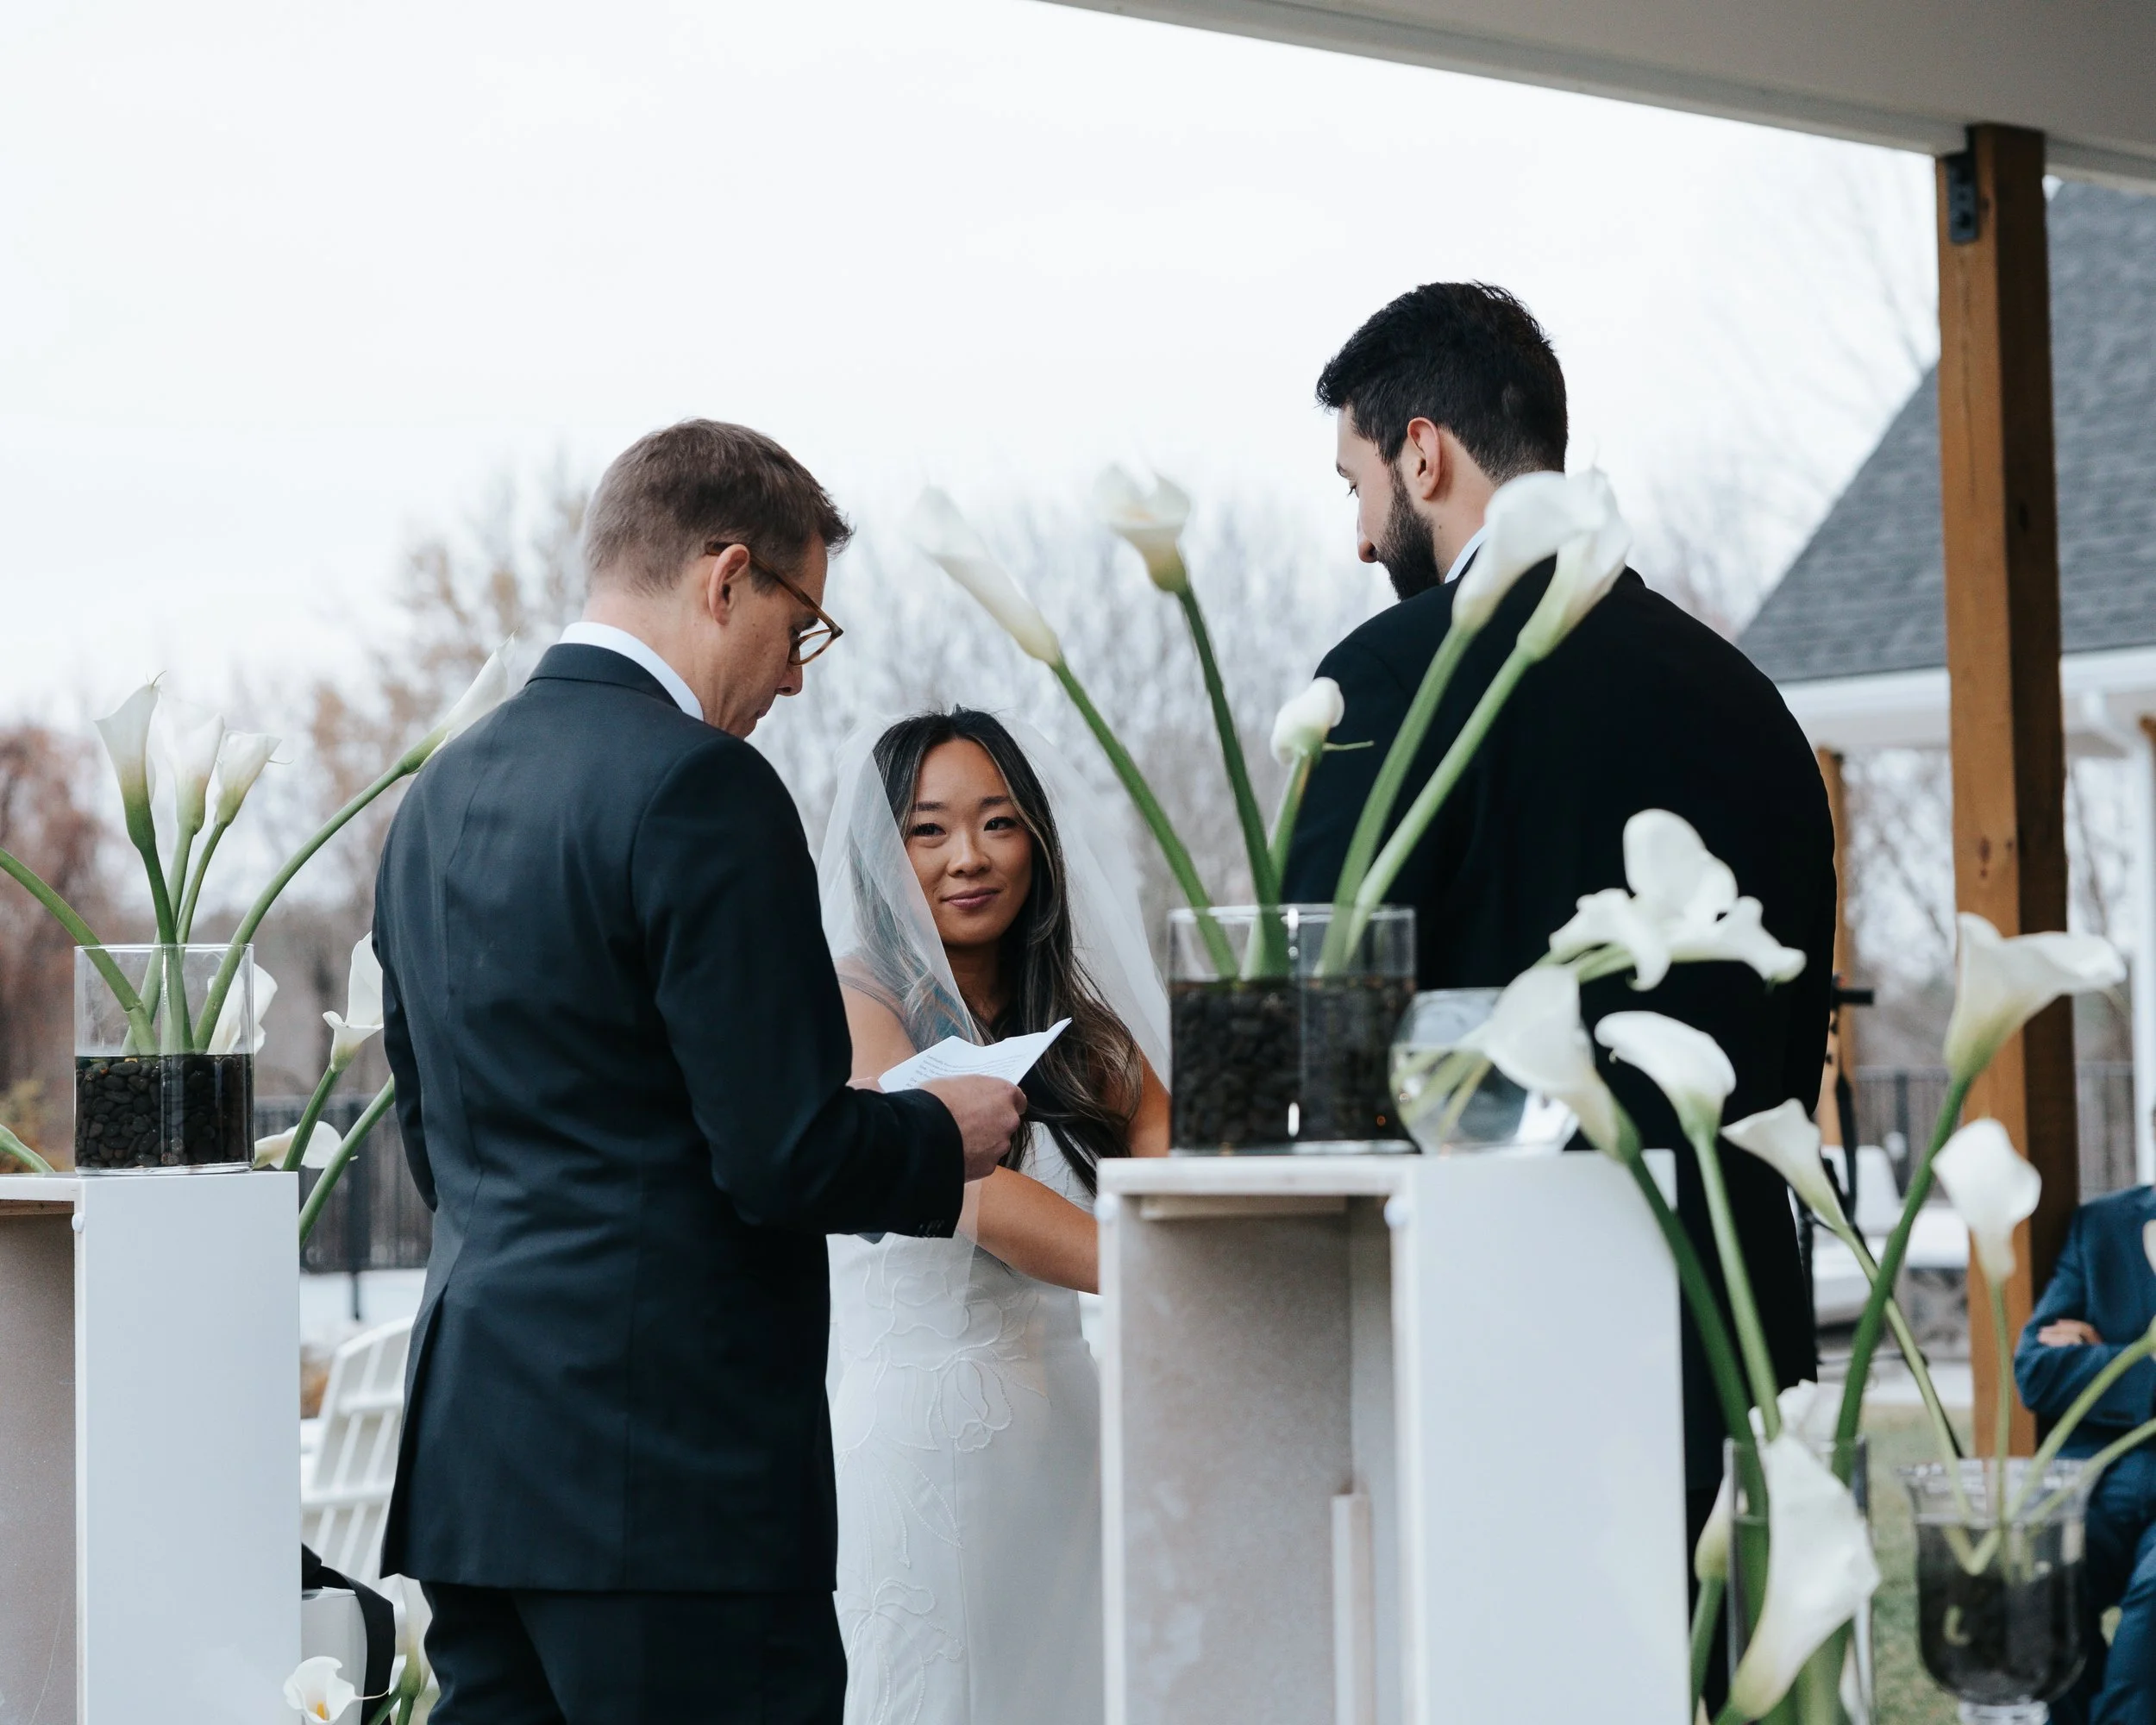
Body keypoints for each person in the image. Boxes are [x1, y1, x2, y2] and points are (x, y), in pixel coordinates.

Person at [371, 421, 1027, 1725]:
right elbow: (781, 1153)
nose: (794, 680)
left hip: (477, 1467)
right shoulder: (700, 789)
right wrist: (940, 1134)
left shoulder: (435, 799)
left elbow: (435, 1147)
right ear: (727, 577)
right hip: (671, 1486)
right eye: (801, 630)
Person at [1280, 283, 1834, 1592]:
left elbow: (1323, 1049)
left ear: (1426, 452)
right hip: (1739, 1347)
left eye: (1356, 481)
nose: (1363, 537)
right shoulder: (1748, 700)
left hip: (1504, 1353)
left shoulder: (1385, 679)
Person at [819, 707, 1170, 1725]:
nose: (967, 857)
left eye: (998, 822)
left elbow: (1181, 1178)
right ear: (882, 855)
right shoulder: (853, 1001)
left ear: (1039, 842)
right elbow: (968, 1185)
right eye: (927, 830)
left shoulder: (1084, 1034)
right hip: (917, 1452)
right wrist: (1163, 1274)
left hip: (1067, 1447)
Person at [2016, 1186, 2156, 1725]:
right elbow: (2035, 1372)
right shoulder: (2101, 1226)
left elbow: (2067, 1371)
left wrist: (2099, 1359)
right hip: (2095, 1478)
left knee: (2149, 1629)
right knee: (2032, 1585)